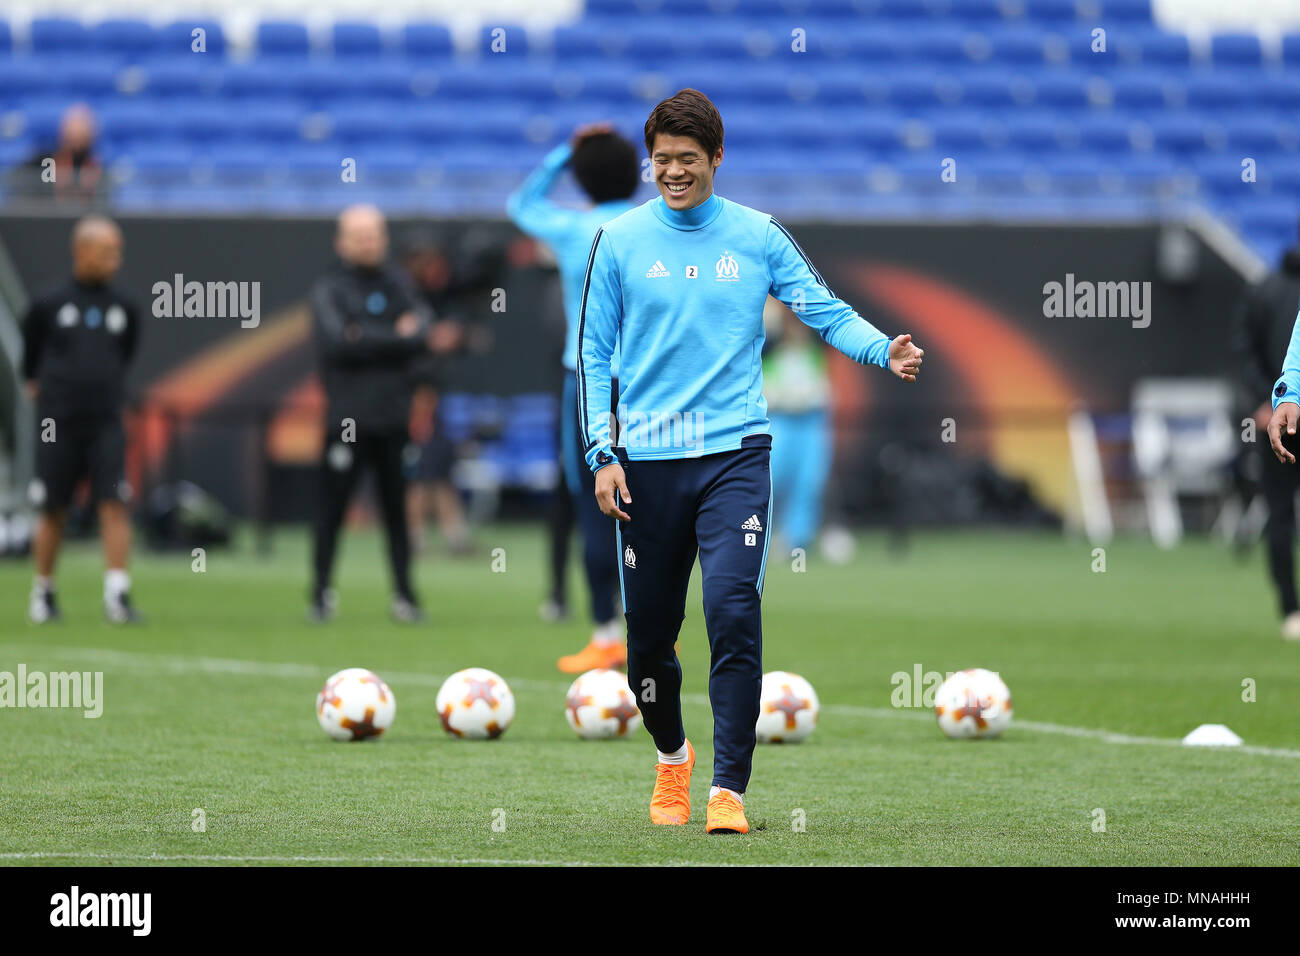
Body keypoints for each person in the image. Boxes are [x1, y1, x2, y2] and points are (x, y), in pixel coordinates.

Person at [578, 89, 924, 834]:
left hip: (736, 453)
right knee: (647, 644)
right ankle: (673, 758)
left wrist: (881, 348)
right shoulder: (619, 240)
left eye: (687, 161)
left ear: (716, 160)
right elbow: (592, 352)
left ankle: (727, 790)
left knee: (733, 611)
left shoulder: (758, 235)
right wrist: (602, 452)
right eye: (662, 160)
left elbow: (823, 307)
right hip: (645, 463)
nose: (672, 173)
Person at [508, 122, 641, 673]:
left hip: (584, 379)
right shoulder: (649, 227)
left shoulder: (567, 229)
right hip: (643, 381)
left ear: (582, 178)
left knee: (592, 503)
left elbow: (520, 203)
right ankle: (654, 629)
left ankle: (606, 633)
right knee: (648, 504)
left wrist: (567, 151)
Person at [310, 204, 434, 623]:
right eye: (360, 235)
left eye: (375, 234)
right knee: (331, 508)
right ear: (341, 241)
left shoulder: (400, 283)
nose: (369, 242)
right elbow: (337, 343)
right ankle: (321, 593)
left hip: (393, 419)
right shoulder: (330, 288)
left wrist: (364, 334)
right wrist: (392, 337)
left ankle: (405, 595)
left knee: (397, 511)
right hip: (345, 421)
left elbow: (422, 332)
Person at [23, 215, 141, 623]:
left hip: (106, 421)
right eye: (108, 252)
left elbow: (124, 354)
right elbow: (31, 363)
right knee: (53, 508)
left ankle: (117, 595)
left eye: (118, 252)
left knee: (114, 502)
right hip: (59, 422)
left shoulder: (123, 306)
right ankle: (44, 593)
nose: (116, 260)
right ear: (82, 251)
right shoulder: (48, 303)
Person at [1249, 238, 1300, 640]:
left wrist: (1272, 399)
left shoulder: (1262, 289)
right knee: (1281, 515)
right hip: (1281, 409)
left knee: (1279, 514)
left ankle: (1290, 611)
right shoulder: (1265, 292)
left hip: (1278, 414)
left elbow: (1240, 350)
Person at [763, 296, 833, 554]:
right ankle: (761, 535)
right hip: (778, 419)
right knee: (772, 479)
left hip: (811, 421)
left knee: (809, 480)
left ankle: (797, 539)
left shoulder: (814, 347)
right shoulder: (768, 347)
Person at [10, 104, 104, 203]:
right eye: (72, 131)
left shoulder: (96, 168)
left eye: (82, 132)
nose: (75, 138)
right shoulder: (41, 162)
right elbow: (17, 180)